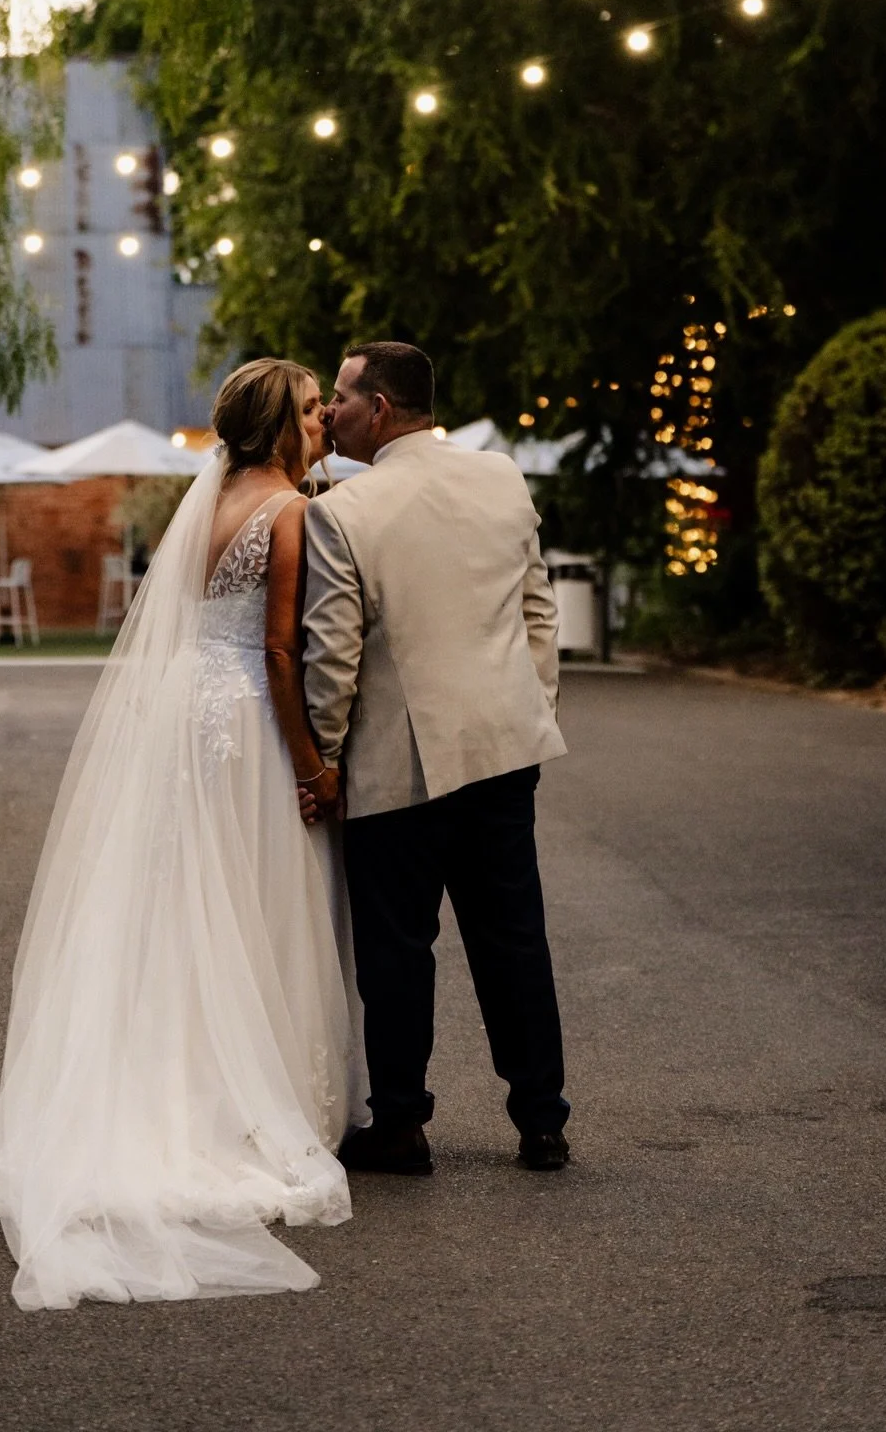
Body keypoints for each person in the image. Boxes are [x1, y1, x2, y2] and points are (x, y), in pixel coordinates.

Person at [0, 359, 357, 1309]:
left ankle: (157, 1072)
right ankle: (236, 1094)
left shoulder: (208, 500)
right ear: (280, 428)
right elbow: (275, 648)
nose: (321, 425)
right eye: (311, 412)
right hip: (246, 723)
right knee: (251, 893)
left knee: (174, 895)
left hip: (182, 711)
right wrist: (313, 763)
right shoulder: (290, 511)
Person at [302, 341, 571, 1176]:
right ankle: (541, 1121)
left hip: (398, 760)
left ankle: (403, 1124)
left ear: (378, 409)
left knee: (396, 949)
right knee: (514, 941)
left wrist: (324, 759)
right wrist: (528, 711)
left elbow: (332, 658)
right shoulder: (500, 478)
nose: (333, 413)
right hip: (502, 748)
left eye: (341, 398)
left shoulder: (344, 511)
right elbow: (539, 613)